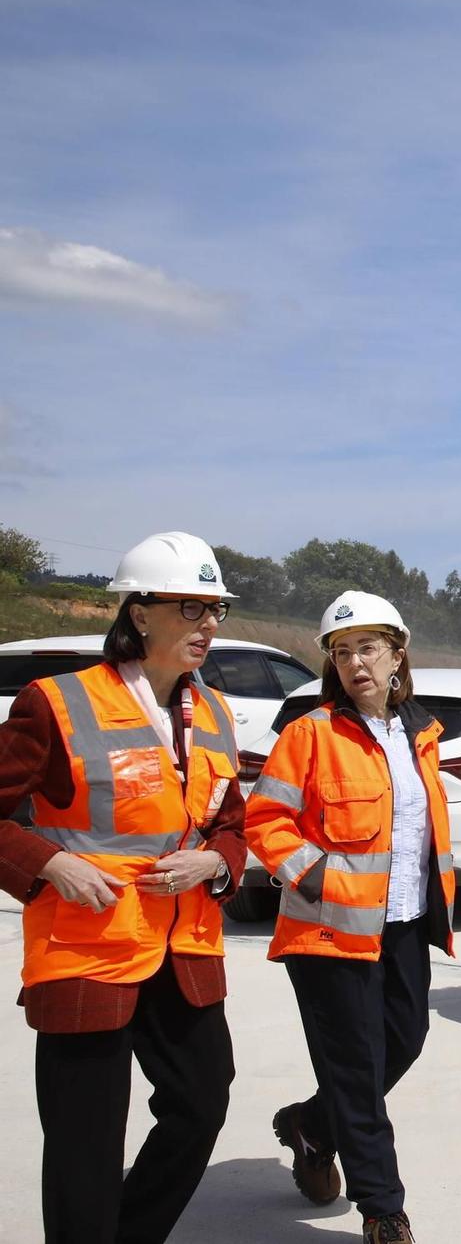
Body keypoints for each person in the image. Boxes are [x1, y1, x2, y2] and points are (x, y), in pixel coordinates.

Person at [0, 531, 247, 1244]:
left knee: (202, 1102)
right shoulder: (57, 704)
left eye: (217, 610)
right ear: (139, 613)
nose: (209, 625)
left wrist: (218, 860)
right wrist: (49, 864)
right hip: (89, 951)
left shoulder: (218, 713)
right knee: (85, 1146)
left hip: (183, 952)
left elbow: (232, 820)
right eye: (192, 608)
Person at [246, 592, 455, 1244]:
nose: (355, 661)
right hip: (328, 930)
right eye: (341, 651)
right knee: (358, 1069)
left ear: (398, 652)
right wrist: (319, 877)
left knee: (406, 1038)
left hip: (402, 926)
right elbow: (264, 820)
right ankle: (382, 1207)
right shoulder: (309, 734)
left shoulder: (420, 735)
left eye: (368, 646)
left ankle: (314, 1122)